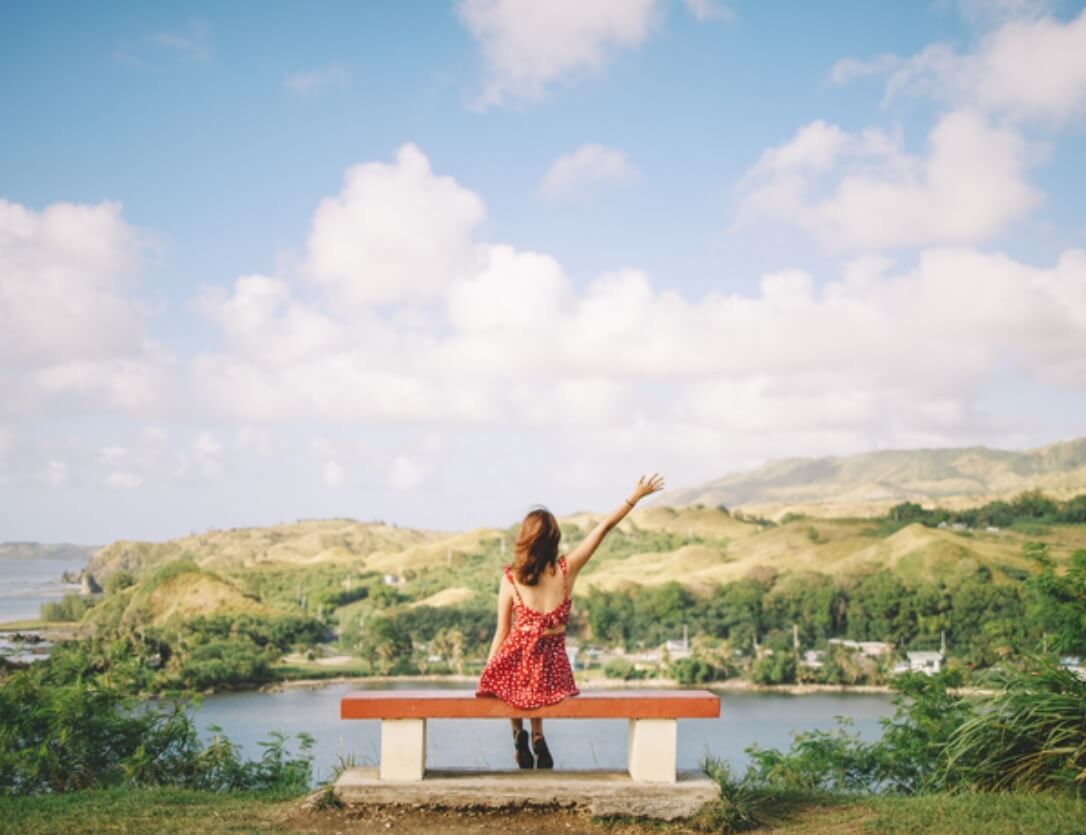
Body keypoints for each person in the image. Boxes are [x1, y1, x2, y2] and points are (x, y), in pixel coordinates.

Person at [475, 473, 666, 769]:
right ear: (554, 540)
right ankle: (538, 736)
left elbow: (502, 632)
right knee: (535, 681)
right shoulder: (567, 570)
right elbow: (603, 528)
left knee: (508, 679)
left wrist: (488, 671)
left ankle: (518, 735)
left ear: (524, 539)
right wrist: (635, 497)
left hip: (517, 656)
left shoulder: (510, 577)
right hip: (553, 664)